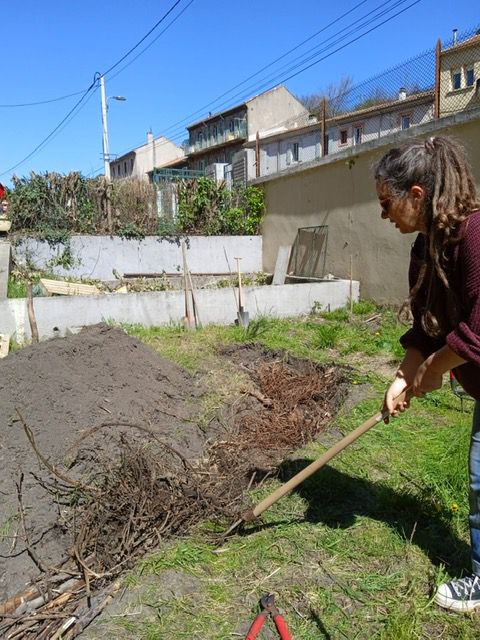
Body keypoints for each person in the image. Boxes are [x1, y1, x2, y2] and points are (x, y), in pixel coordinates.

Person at [374, 135, 480, 613]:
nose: (384, 215)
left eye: (386, 203)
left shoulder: (476, 235)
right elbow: (427, 326)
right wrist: (404, 375)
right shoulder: (424, 249)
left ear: (416, 195)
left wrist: (437, 368)